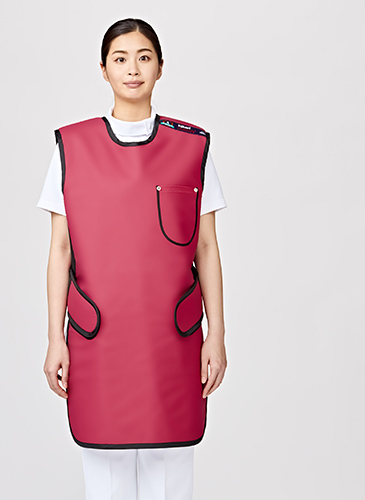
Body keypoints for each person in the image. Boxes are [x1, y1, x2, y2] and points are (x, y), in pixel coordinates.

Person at [37, 18, 228, 500]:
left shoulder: (192, 147)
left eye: (144, 58)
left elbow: (207, 247)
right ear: (103, 70)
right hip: (98, 339)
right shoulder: (72, 147)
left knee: (171, 476)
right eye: (120, 59)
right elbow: (60, 249)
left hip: (172, 341)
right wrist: (54, 338)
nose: (133, 69)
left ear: (160, 67)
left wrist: (217, 334)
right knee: (107, 478)